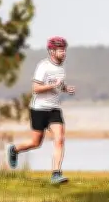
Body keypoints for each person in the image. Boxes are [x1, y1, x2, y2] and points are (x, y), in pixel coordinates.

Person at [6, 36, 75, 184]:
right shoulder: (43, 66)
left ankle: (56, 174)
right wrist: (53, 85)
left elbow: (58, 85)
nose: (63, 53)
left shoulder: (61, 69)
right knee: (36, 143)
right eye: (60, 50)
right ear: (52, 51)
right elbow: (36, 89)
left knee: (60, 139)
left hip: (54, 109)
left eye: (64, 50)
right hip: (39, 109)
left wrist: (65, 88)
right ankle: (14, 150)